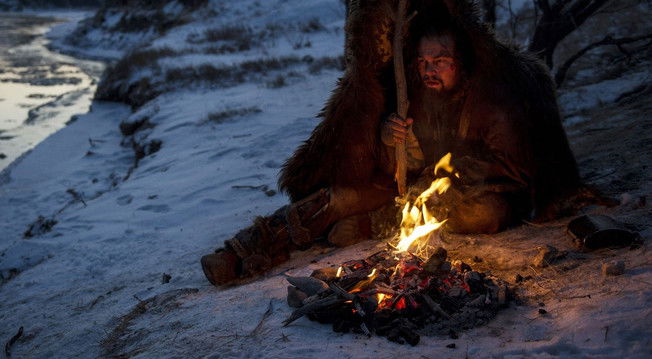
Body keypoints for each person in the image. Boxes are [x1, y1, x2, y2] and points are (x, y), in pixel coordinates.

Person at [201, 20, 534, 286]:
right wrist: (393, 142)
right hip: (407, 194)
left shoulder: (490, 103)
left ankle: (371, 226)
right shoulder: (416, 97)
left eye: (441, 62)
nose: (429, 70)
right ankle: (247, 248)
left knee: (484, 213)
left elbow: (512, 168)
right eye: (423, 62)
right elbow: (396, 171)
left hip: (470, 197)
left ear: (461, 63)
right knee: (336, 199)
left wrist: (445, 177)